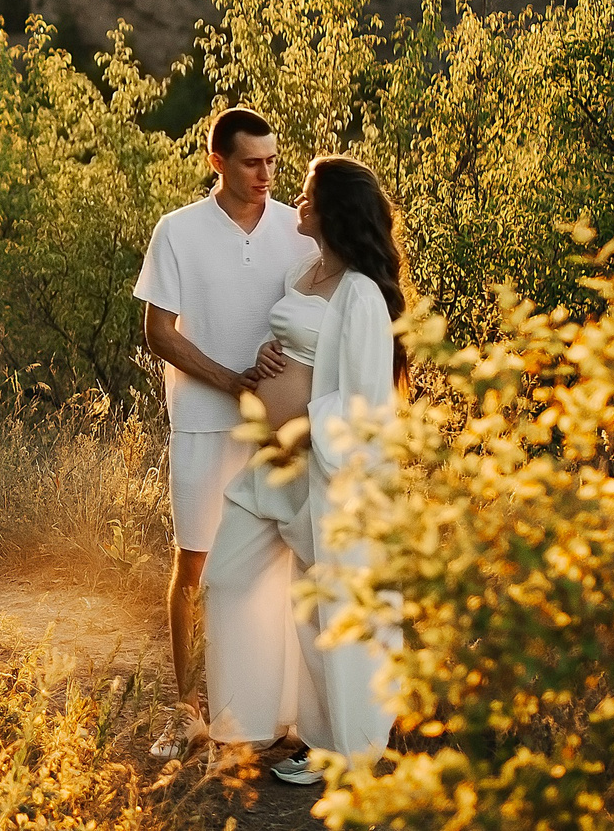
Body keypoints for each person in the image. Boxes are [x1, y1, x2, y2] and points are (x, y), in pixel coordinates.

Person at [202, 153, 407, 784]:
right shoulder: (302, 270)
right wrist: (270, 352)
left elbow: (367, 398)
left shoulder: (362, 294)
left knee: (327, 611)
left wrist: (305, 427)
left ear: (334, 210)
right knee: (227, 577)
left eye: (311, 194)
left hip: (324, 471)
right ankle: (247, 722)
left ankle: (337, 747)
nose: (300, 200)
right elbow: (296, 345)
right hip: (272, 465)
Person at [134, 106, 320, 760]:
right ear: (218, 161)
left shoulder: (298, 233)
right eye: (251, 162)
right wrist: (232, 382)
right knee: (194, 560)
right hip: (201, 422)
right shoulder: (178, 230)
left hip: (276, 432)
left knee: (275, 569)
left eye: (272, 161)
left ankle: (268, 708)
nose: (266, 174)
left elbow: (316, 318)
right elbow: (159, 334)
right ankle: (185, 710)